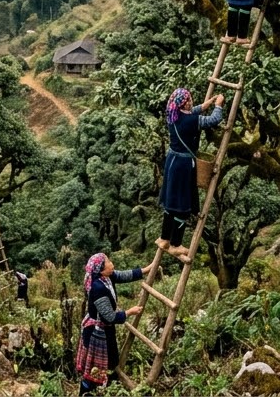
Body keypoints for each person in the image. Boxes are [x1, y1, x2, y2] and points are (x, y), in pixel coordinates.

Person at [75, 252, 158, 394]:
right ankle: (86, 393)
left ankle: (106, 389)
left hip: (104, 329)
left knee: (110, 362)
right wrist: (130, 312)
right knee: (95, 368)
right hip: (97, 332)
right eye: (108, 261)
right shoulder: (98, 288)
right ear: (101, 269)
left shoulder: (106, 277)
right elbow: (109, 317)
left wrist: (146, 269)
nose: (111, 263)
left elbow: (123, 275)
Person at [159, 87, 225, 262]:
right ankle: (175, 244)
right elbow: (214, 120)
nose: (192, 102)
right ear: (185, 103)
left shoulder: (172, 114)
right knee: (182, 205)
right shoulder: (190, 121)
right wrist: (218, 106)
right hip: (183, 166)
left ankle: (164, 238)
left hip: (172, 162)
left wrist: (206, 104)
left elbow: (190, 113)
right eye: (190, 100)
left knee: (170, 204)